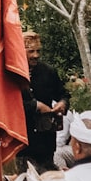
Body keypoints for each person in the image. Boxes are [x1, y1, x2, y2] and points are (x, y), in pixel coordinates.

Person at [21, 32, 68, 173]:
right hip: (22, 143)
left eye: (38, 51)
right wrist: (35, 106)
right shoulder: (11, 74)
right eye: (31, 51)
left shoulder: (48, 72)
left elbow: (63, 94)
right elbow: (7, 106)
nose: (36, 55)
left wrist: (63, 104)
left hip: (46, 140)